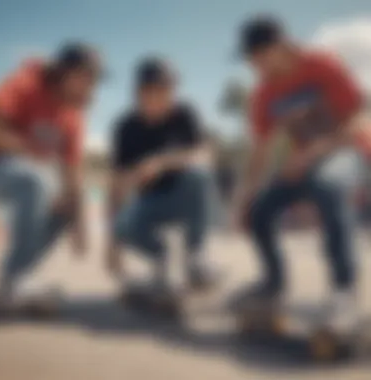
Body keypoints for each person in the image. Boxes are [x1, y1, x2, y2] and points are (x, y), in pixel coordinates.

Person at [231, 16, 369, 329]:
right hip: (304, 164)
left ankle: (343, 291)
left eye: (259, 58)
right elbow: (260, 152)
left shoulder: (321, 65)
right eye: (251, 61)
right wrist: (243, 200)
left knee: (329, 184)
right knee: (259, 209)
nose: (256, 67)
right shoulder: (264, 94)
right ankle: (272, 284)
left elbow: (358, 117)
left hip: (351, 151)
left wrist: (313, 153)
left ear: (281, 46)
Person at [0, 42, 103, 309]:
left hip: (24, 174)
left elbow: (73, 171)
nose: (90, 89)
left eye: (94, 82)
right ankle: (15, 282)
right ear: (64, 73)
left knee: (67, 205)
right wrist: (28, 148)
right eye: (85, 80)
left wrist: (80, 223)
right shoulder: (27, 82)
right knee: (35, 178)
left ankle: (13, 278)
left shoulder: (73, 116)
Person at [107, 57, 214, 294]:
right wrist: (112, 245)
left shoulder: (185, 114)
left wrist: (161, 163)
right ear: (139, 93)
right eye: (152, 91)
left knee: (199, 174)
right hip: (150, 203)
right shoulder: (125, 127)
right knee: (122, 225)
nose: (159, 98)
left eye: (166, 90)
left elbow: (205, 155)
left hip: (184, 197)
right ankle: (163, 260)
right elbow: (116, 186)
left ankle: (195, 257)